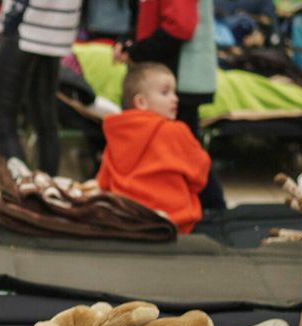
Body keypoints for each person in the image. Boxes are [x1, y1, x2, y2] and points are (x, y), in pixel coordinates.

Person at [113, 0, 226, 209]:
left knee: (185, 151)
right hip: (167, 75)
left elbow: (180, 26)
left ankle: (214, 209)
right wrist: (129, 41)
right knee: (177, 150)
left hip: (178, 77)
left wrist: (137, 51)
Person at [96, 62, 210, 233]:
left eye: (174, 92)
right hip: (173, 221)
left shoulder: (117, 134)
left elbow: (103, 182)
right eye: (165, 93)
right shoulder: (175, 131)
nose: (175, 98)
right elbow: (200, 175)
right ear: (141, 102)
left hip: (124, 219)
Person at [0, 0, 82, 179]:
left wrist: (12, 17)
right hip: (58, 29)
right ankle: (44, 191)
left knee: (1, 120)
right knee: (44, 120)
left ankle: (22, 189)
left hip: (26, 24)